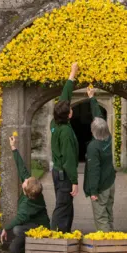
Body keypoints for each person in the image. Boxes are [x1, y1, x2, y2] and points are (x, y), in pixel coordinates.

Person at [0, 136, 50, 253]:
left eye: (26, 181)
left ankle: (34, 247)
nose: (25, 179)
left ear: (26, 191)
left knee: (16, 230)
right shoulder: (31, 188)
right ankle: (27, 243)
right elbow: (22, 168)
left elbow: (19, 219)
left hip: (40, 228)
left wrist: (5, 228)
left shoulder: (28, 205)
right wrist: (13, 147)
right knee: (15, 233)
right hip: (29, 225)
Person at [50, 63, 80, 232]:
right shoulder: (66, 133)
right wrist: (74, 182)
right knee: (62, 208)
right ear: (69, 114)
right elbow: (69, 160)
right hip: (64, 175)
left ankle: (65, 237)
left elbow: (64, 98)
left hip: (57, 172)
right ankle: (55, 239)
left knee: (66, 207)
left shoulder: (54, 123)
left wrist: (72, 74)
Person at [83, 86, 116, 232]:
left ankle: (107, 245)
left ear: (94, 131)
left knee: (101, 217)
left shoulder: (93, 147)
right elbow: (99, 118)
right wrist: (92, 98)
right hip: (110, 182)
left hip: (101, 186)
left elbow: (94, 171)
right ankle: (113, 239)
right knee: (108, 214)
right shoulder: (107, 137)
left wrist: (94, 191)